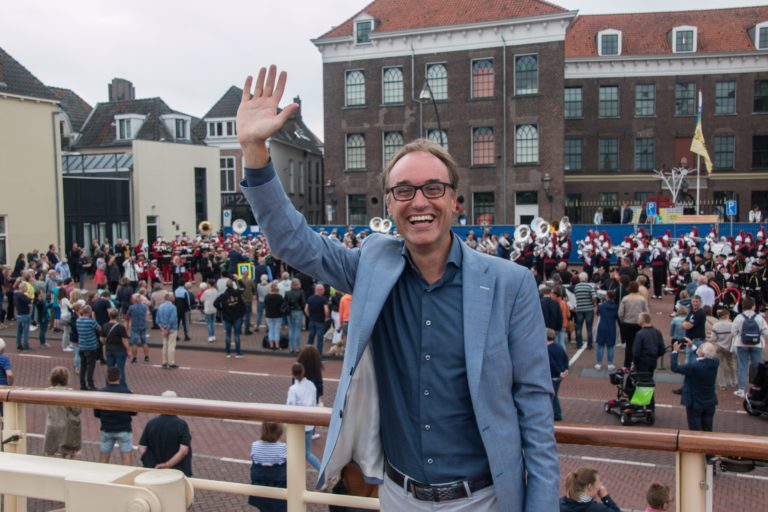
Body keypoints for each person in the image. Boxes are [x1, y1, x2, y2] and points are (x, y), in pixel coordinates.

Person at [238, 66, 558, 510]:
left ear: (454, 200)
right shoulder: (372, 264)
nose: (420, 202)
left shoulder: (511, 284)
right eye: (404, 190)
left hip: (483, 499)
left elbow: (536, 413)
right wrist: (255, 150)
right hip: (397, 496)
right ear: (388, 204)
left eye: (433, 188)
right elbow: (292, 241)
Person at [139, 390, 193, 476]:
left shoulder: (151, 423)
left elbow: (142, 447)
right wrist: (168, 464)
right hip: (177, 471)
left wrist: (152, 464)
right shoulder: (181, 425)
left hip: (155, 470)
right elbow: (183, 450)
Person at [670, 340, 719, 431]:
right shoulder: (715, 362)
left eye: (700, 347)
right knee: (708, 429)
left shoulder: (693, 366)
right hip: (709, 402)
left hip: (695, 403)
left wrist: (675, 351)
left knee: (695, 430)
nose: (698, 348)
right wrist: (692, 346)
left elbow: (674, 367)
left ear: (702, 353)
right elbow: (706, 356)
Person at [94, 367, 136, 465]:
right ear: (119, 377)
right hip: (124, 428)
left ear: (107, 378)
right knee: (126, 457)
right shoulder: (127, 392)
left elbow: (97, 413)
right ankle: (126, 478)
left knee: (103, 457)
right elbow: (134, 412)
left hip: (106, 428)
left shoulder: (101, 393)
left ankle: (100, 478)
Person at [730, 296, 767, 398]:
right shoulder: (759, 317)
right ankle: (756, 387)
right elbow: (765, 332)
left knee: (742, 366)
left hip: (742, 343)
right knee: (757, 366)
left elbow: (733, 332)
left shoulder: (739, 317)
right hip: (757, 344)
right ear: (753, 306)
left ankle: (741, 389)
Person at [286, 363, 321, 471]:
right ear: (303, 372)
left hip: (297, 424)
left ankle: (293, 474)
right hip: (309, 423)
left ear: (292, 374)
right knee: (307, 453)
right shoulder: (311, 385)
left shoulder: (293, 389)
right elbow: (315, 403)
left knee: (293, 451)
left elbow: (290, 405)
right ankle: (322, 472)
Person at [248, 422, 287, 512]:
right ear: (280, 432)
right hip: (278, 486)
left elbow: (254, 458)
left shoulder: (255, 445)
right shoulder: (283, 447)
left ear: (263, 430)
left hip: (259, 485)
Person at [43, 366, 81, 458]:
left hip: (51, 425)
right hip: (66, 427)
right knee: (66, 455)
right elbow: (77, 411)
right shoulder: (70, 392)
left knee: (50, 454)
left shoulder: (47, 391)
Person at [618, 282, 649, 368]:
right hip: (639, 323)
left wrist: (622, 321)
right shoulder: (642, 299)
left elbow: (620, 313)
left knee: (629, 345)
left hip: (627, 323)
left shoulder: (625, 299)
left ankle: (627, 364)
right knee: (639, 344)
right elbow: (646, 311)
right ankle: (637, 363)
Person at [214, 279, 246, 358]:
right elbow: (243, 288)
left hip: (227, 316)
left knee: (228, 335)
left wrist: (221, 309)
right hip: (237, 316)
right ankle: (238, 353)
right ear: (232, 285)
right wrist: (239, 279)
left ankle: (228, 353)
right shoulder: (237, 292)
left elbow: (215, 303)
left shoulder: (223, 295)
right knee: (236, 335)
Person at [102, 308, 130, 387]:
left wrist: (106, 343)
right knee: (120, 369)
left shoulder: (105, 326)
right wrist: (128, 350)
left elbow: (101, 339)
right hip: (120, 350)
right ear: (117, 316)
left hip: (109, 350)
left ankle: (108, 385)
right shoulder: (120, 327)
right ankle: (123, 387)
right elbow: (124, 340)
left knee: (109, 369)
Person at [76, 305, 101, 390]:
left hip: (82, 346)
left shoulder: (78, 320)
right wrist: (93, 318)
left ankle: (82, 384)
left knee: (83, 367)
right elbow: (99, 329)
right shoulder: (91, 321)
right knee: (91, 366)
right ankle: (90, 384)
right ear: (89, 312)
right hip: (90, 347)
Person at [710, 309, 736, 391]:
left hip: (719, 347)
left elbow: (713, 338)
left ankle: (722, 384)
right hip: (729, 347)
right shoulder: (732, 325)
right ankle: (734, 381)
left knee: (720, 366)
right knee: (731, 364)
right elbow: (735, 336)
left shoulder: (715, 325)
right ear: (728, 316)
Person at [546, 328, 569, 422]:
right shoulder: (559, 347)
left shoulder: (547, 350)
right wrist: (565, 370)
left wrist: (559, 372)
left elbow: (551, 364)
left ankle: (554, 414)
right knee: (554, 396)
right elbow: (565, 358)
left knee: (550, 396)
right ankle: (557, 414)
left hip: (553, 376)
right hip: (560, 376)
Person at [594, 290, 619, 370]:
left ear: (607, 296)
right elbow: (617, 317)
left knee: (600, 345)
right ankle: (610, 364)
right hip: (611, 326)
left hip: (602, 326)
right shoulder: (616, 307)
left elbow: (597, 313)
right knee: (611, 346)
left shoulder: (601, 306)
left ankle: (598, 363)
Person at [573, 273, 597, 349]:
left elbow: (575, 296)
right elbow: (594, 297)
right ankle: (589, 344)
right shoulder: (589, 286)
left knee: (579, 327)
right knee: (589, 327)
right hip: (589, 308)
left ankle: (579, 344)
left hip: (579, 308)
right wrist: (593, 304)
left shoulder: (576, 286)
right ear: (586, 278)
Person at [305, 284, 329, 356]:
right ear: (320, 290)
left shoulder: (310, 298)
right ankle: (319, 356)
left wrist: (309, 316)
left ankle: (307, 354)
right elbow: (326, 310)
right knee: (320, 339)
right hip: (320, 321)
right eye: (323, 290)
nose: (324, 291)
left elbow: (306, 309)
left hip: (312, 320)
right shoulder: (323, 299)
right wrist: (326, 317)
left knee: (310, 338)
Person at [156, 293, 178, 369]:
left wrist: (163, 329)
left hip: (163, 328)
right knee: (171, 346)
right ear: (171, 298)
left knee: (165, 345)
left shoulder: (160, 306)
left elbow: (157, 320)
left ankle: (164, 362)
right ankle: (171, 362)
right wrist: (167, 330)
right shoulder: (173, 307)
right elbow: (172, 320)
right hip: (171, 329)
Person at [284, 278, 306, 353]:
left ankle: (291, 347)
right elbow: (303, 303)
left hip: (290, 312)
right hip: (298, 311)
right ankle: (297, 348)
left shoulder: (287, 293)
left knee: (291, 329)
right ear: (297, 285)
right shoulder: (301, 292)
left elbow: (285, 303)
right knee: (297, 330)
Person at [264, 283, 284, 350]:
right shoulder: (280, 297)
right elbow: (282, 305)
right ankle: (277, 345)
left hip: (269, 315)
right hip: (278, 315)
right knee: (276, 330)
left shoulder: (267, 296)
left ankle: (271, 345)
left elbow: (265, 305)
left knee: (271, 330)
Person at [0, 339, 14, 415]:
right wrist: (10, 384)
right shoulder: (4, 359)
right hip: (2, 389)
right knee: (4, 414)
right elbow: (9, 374)